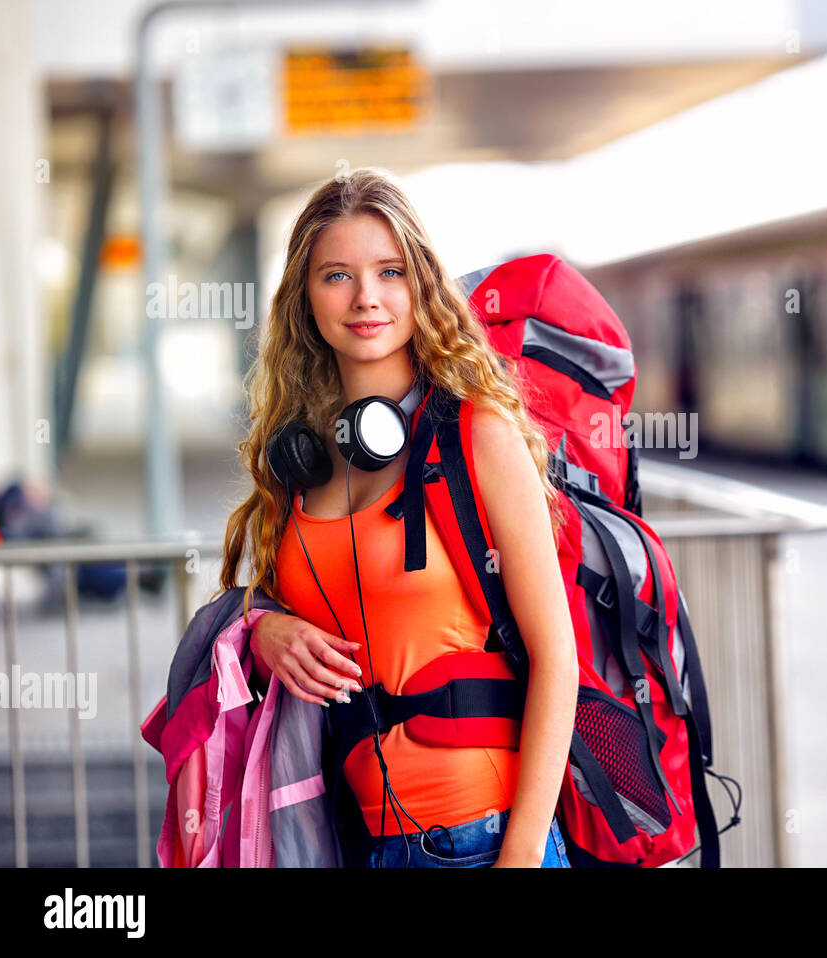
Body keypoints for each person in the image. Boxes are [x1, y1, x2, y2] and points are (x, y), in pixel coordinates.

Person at [215, 168, 578, 868]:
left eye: (389, 270)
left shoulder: (477, 435)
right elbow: (279, 613)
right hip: (355, 841)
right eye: (336, 276)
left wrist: (524, 853)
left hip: (481, 840)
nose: (366, 298)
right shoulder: (300, 463)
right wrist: (267, 633)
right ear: (305, 299)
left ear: (420, 286)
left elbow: (556, 657)